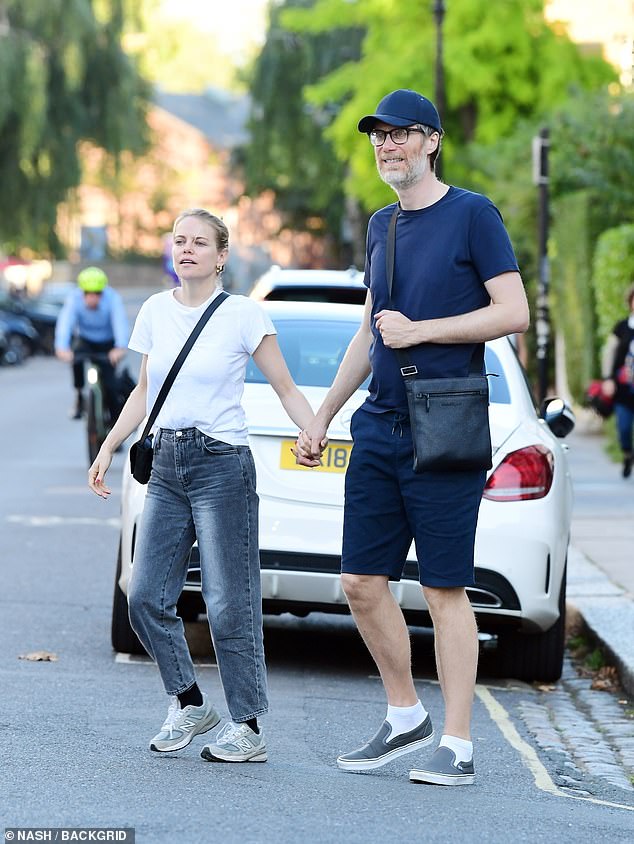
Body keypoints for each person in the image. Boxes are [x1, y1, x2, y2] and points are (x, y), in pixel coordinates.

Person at [295, 89, 529, 786]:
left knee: (443, 586)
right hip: (380, 423)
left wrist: (423, 332)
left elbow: (512, 310)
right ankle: (406, 716)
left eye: (399, 136)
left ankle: (456, 742)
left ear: (430, 142)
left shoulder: (473, 215)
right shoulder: (381, 225)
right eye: (378, 138)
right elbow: (370, 331)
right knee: (361, 582)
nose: (386, 147)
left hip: (446, 424)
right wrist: (324, 412)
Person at [88, 208, 318, 763]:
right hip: (165, 463)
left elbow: (284, 386)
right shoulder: (153, 312)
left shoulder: (243, 315)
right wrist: (110, 444)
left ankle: (248, 726)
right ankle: (189, 701)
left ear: (221, 257)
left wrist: (313, 427)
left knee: (226, 602)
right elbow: (145, 391)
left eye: (199, 242)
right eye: (179, 240)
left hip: (222, 467)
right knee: (143, 595)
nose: (186, 249)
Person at [55, 267, 130, 419]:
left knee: (111, 386)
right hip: (85, 340)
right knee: (75, 360)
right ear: (82, 292)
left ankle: (116, 426)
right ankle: (79, 395)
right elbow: (65, 323)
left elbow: (120, 323)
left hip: (108, 344)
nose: (92, 298)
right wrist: (62, 347)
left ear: (103, 292)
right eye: (88, 293)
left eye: (97, 294)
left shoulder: (113, 298)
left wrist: (120, 347)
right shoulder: (73, 299)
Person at [601, 284, 634, 478]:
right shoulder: (621, 327)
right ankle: (627, 455)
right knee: (623, 428)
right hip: (623, 389)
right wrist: (607, 379)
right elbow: (609, 353)